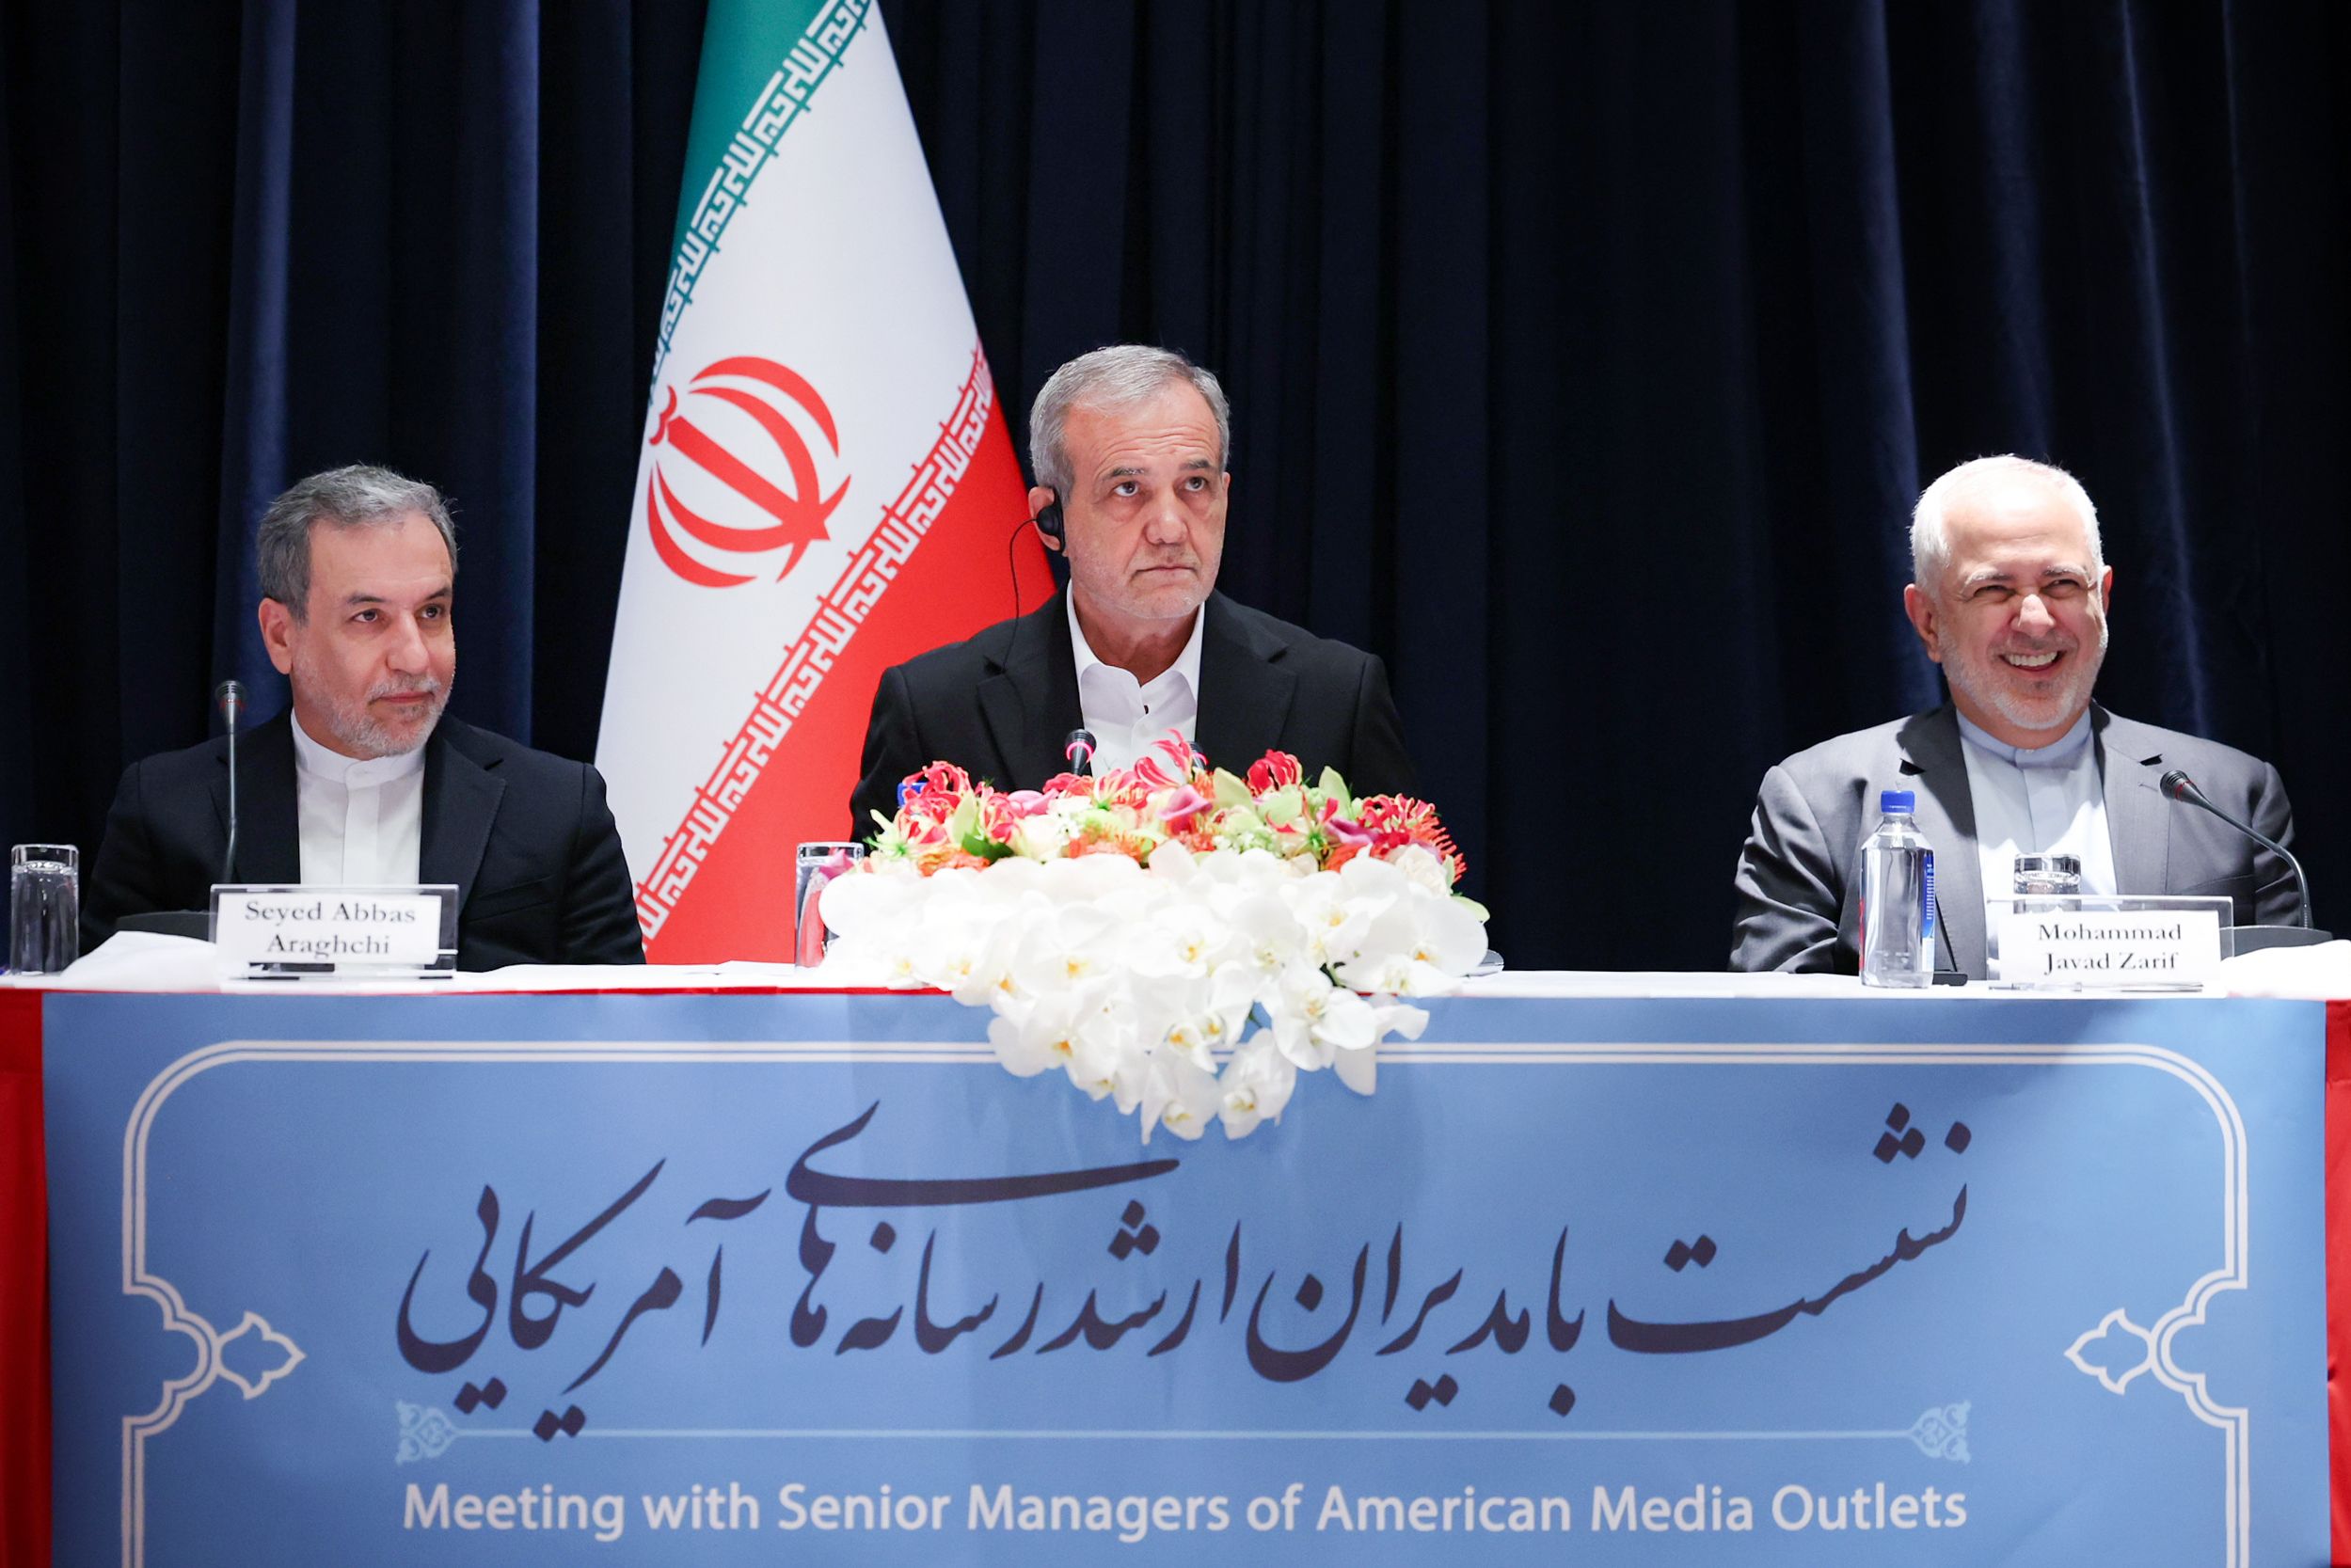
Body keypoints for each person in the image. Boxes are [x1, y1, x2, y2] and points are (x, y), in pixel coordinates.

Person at [1731, 454, 2299, 977]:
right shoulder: (1820, 802)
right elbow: (1783, 1042)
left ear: (2102, 598)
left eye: (2062, 584)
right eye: (1994, 589)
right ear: (1928, 622)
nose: (2034, 620)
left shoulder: (2231, 798)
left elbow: (2286, 1040)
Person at [83, 465, 645, 969]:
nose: (414, 657)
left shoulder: (555, 808)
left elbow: (619, 1042)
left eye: (432, 612)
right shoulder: (168, 809)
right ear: (282, 636)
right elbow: (99, 1033)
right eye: (369, 616)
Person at [848, 344, 1417, 832]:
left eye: (1194, 484)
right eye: (1127, 489)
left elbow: (1407, 926)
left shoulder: (1337, 697)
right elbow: (865, 933)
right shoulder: (936, 709)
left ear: (1225, 494)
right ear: (1052, 521)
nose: (1170, 528)